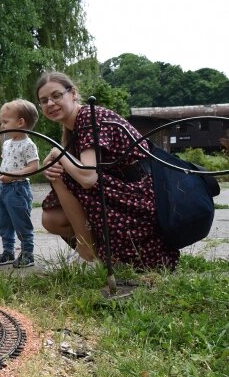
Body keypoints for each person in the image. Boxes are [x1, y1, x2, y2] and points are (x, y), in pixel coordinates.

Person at [38, 71, 179, 270]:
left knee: (64, 173)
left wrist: (57, 153)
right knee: (52, 217)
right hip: (126, 196)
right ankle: (96, 252)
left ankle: (87, 255)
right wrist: (54, 164)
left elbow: (87, 177)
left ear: (73, 93)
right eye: (44, 101)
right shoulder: (74, 127)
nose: (50, 103)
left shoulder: (88, 116)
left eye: (56, 95)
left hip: (142, 199)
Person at [0, 99, 40, 268]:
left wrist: (12, 176)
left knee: (21, 222)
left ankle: (28, 253)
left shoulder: (28, 145)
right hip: (4, 188)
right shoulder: (7, 144)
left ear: (20, 123)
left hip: (18, 189)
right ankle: (8, 251)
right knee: (3, 222)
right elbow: (4, 165)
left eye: (5, 122)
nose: (2, 126)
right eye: (1, 122)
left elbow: (34, 167)